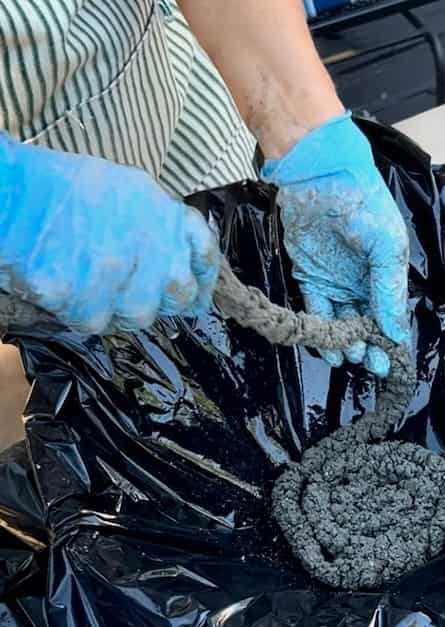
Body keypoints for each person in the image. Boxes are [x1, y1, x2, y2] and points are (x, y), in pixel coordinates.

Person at [0, 1, 409, 376]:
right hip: (38, 195)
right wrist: (17, 206)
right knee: (105, 360)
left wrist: (303, 129)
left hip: (161, 77)